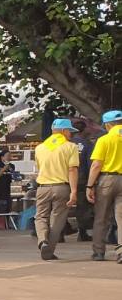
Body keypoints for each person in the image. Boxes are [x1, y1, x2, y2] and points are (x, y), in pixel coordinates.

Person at [33, 118, 80, 260]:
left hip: (42, 187)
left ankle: (42, 241)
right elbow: (72, 170)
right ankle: (50, 249)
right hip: (62, 188)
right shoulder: (70, 147)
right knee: (57, 219)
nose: (71, 134)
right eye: (70, 131)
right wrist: (74, 191)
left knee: (40, 216)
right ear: (64, 131)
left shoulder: (39, 147)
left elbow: (40, 168)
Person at [86, 109, 122, 263]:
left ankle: (99, 252)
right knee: (121, 217)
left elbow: (96, 165)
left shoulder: (104, 140)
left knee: (101, 217)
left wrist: (90, 186)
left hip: (107, 180)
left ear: (107, 125)